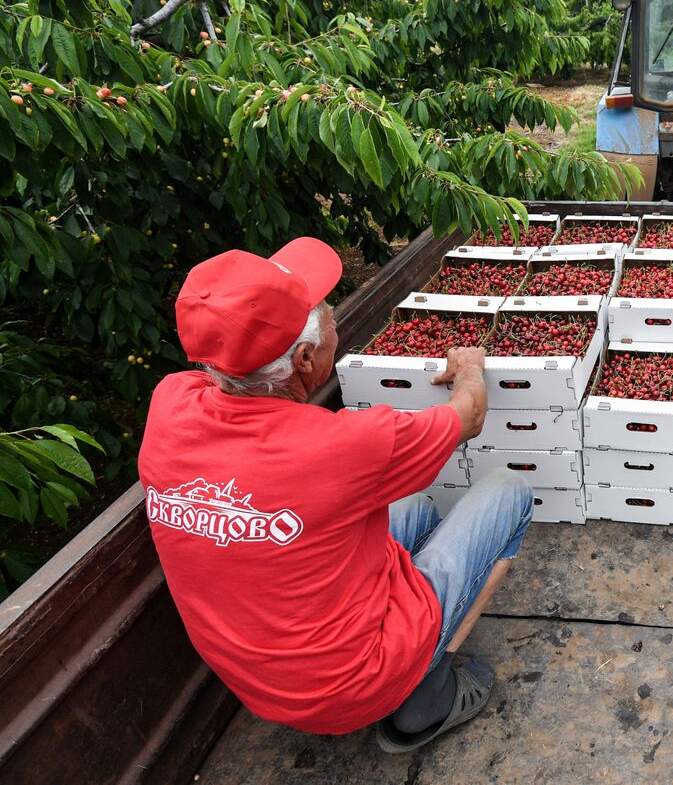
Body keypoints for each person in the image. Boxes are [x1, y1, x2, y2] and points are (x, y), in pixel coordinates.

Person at [138, 237, 533, 754]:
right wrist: (470, 367)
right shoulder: (345, 445)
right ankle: (424, 698)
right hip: (356, 684)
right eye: (324, 314)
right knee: (508, 491)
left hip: (257, 685)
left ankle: (400, 652)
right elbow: (470, 414)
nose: (332, 318)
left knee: (414, 507)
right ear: (305, 359)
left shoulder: (170, 403)